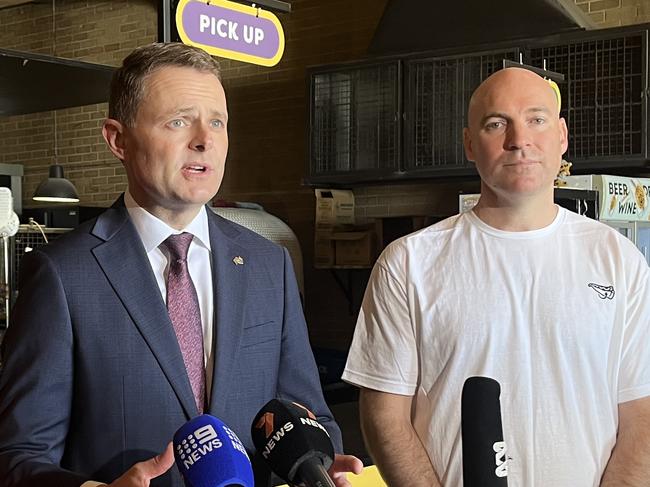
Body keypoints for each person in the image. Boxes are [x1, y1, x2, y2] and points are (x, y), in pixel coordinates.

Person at [0, 42, 362, 487]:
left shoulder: (270, 264)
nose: (204, 140)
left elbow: (310, 415)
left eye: (217, 122)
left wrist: (320, 465)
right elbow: (19, 456)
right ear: (118, 139)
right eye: (178, 121)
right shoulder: (61, 274)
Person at [342, 67, 650, 486]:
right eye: (496, 123)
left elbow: (641, 416)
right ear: (470, 144)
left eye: (536, 119)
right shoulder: (408, 263)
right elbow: (384, 415)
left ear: (561, 136)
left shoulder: (619, 260)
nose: (519, 140)